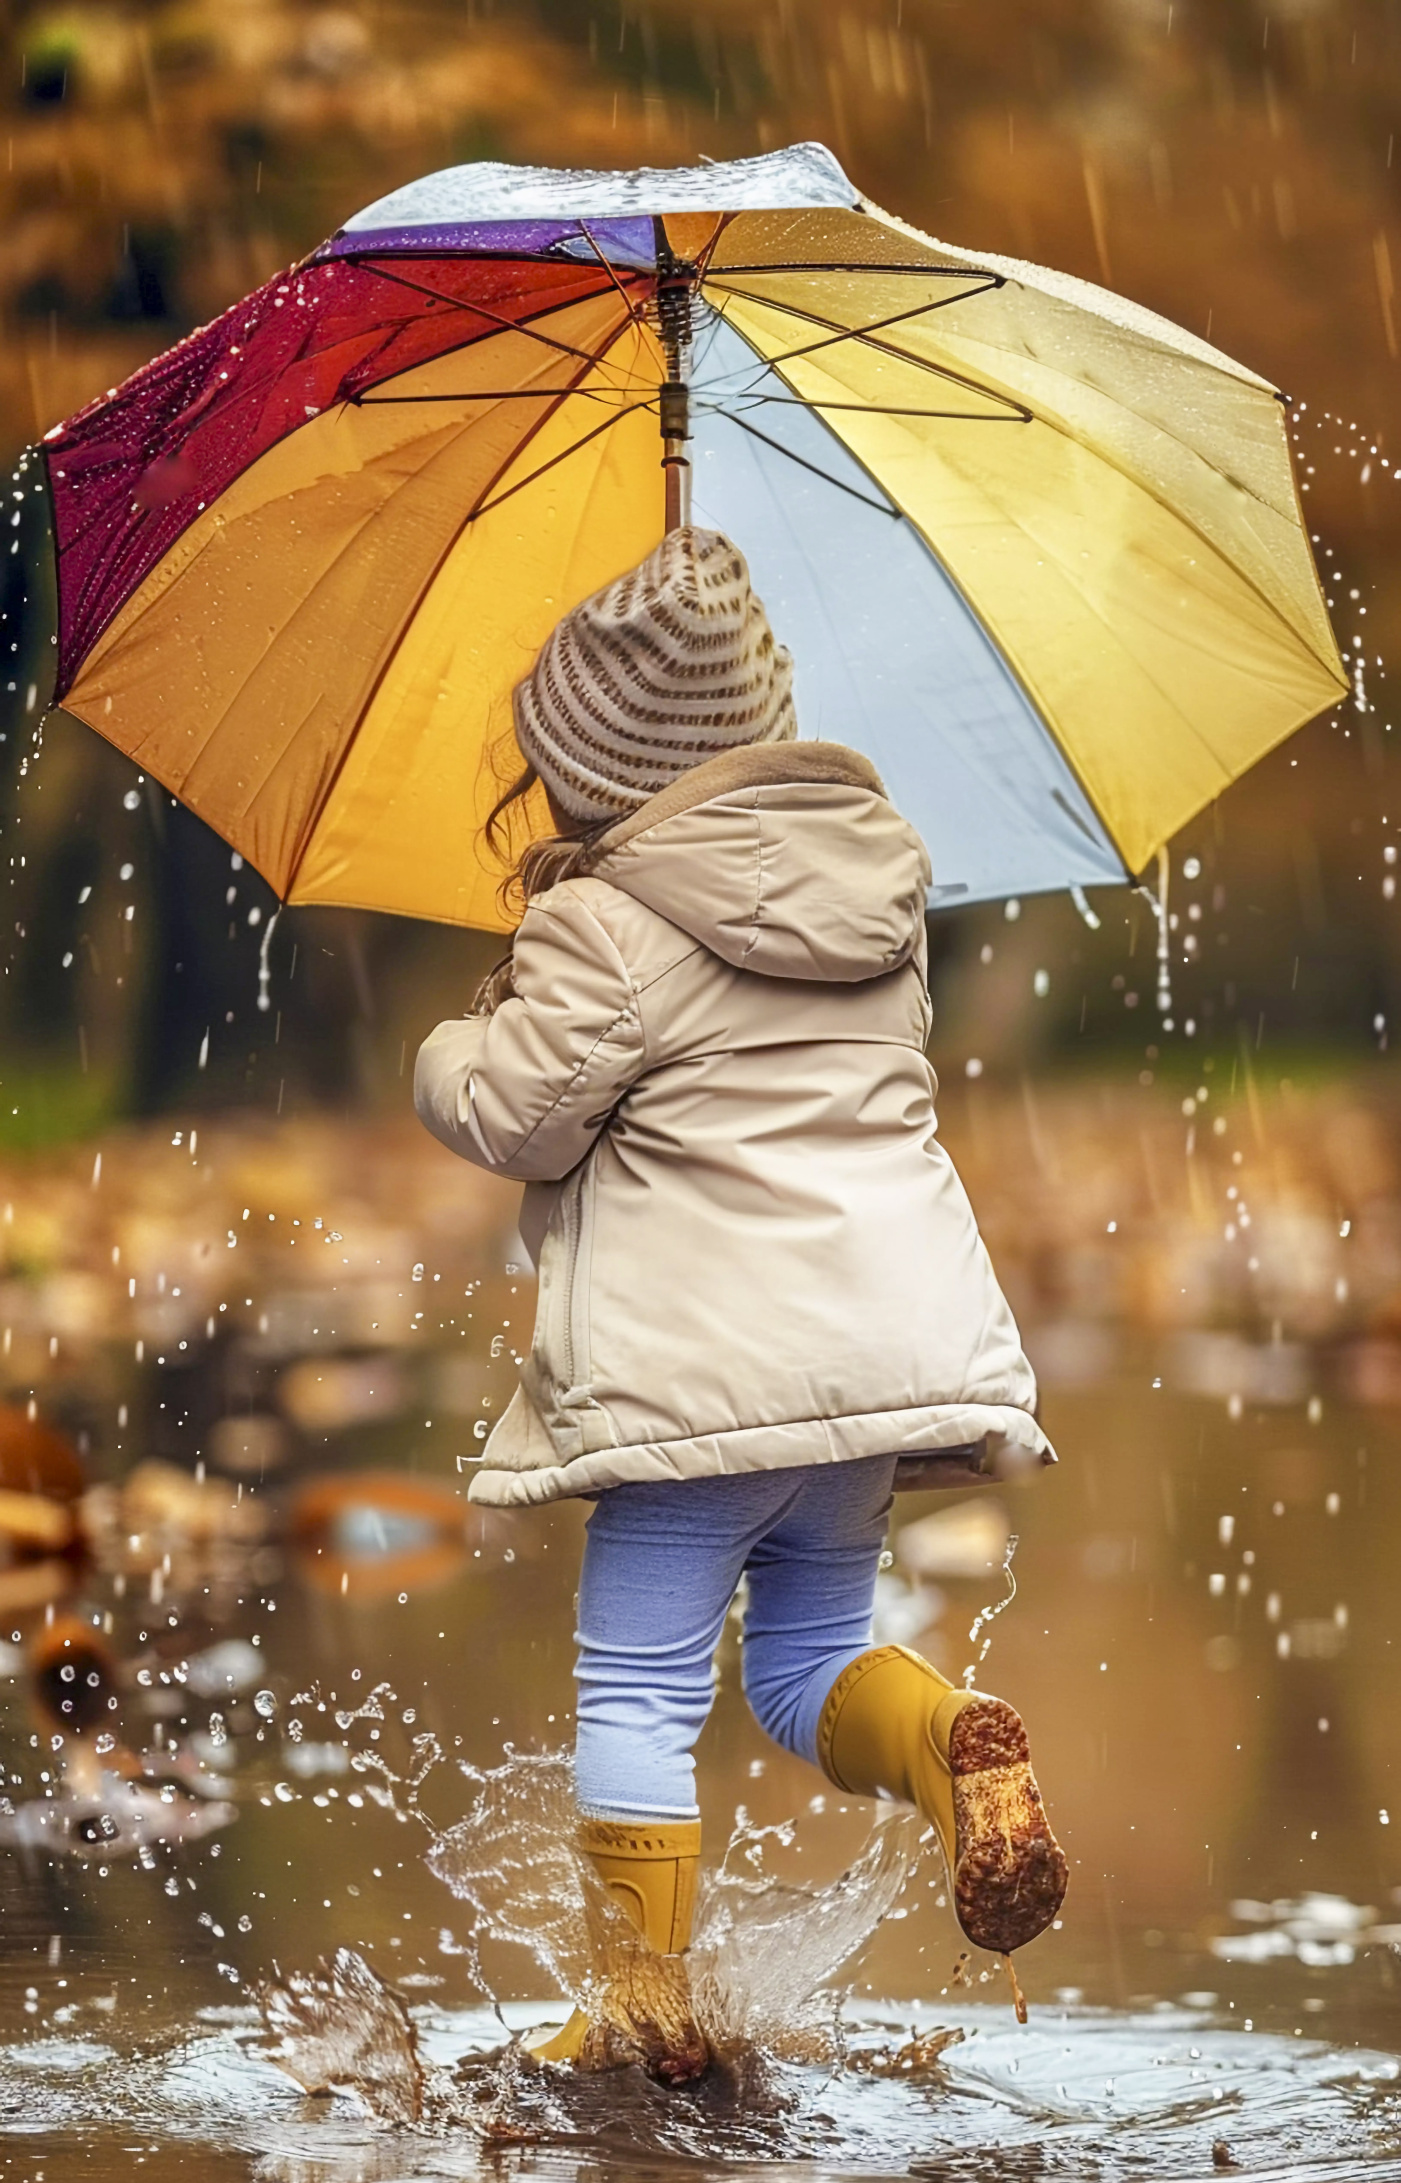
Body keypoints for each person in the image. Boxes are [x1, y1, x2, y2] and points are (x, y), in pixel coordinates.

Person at [415, 527, 1067, 2081]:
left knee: (639, 1690)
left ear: (589, 774)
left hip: (697, 1394)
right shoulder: (877, 901)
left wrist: (455, 1038)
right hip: (861, 1376)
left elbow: (519, 1115)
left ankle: (642, 2014)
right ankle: (946, 1740)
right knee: (801, 1663)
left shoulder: (605, 925)